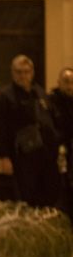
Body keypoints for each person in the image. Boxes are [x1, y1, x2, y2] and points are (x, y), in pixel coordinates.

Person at [0, 55, 62, 208]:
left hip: (45, 156)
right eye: (19, 72)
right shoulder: (6, 97)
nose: (23, 75)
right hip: (22, 158)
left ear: (32, 72)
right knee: (27, 198)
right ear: (12, 73)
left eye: (26, 71)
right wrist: (4, 157)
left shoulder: (39, 93)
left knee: (49, 194)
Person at [49, 67, 73, 213]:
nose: (70, 86)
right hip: (58, 153)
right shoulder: (51, 102)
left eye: (72, 82)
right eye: (66, 82)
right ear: (59, 83)